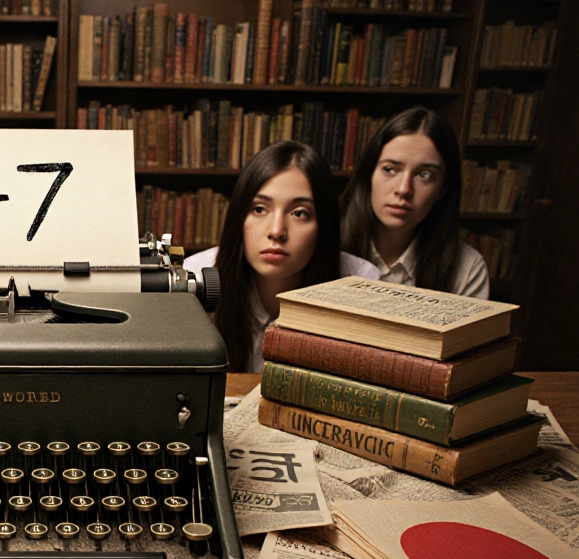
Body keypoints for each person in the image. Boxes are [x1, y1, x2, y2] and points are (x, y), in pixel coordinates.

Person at [183, 141, 378, 373]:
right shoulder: (196, 278)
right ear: (239, 217)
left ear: (324, 225)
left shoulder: (360, 284)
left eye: (299, 213)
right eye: (259, 209)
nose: (276, 231)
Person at [340, 106, 489, 298]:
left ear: (442, 188)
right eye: (390, 169)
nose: (404, 189)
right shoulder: (323, 243)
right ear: (369, 174)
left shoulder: (467, 269)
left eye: (424, 175)